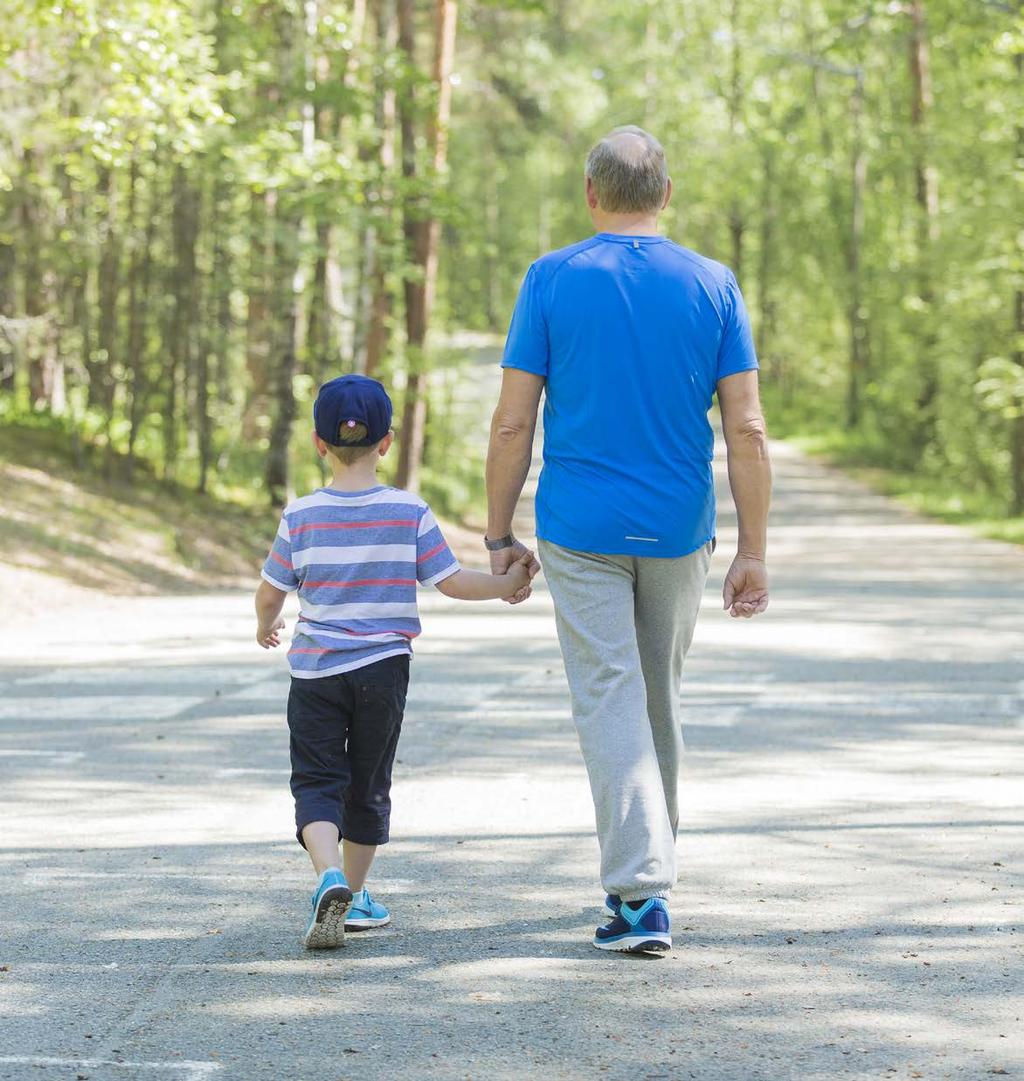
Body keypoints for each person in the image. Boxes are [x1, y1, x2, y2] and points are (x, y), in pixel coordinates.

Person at [484, 126, 772, 954]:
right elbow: (747, 428)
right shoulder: (713, 284)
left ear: (590, 194)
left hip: (578, 526)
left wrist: (500, 530)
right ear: (666, 195)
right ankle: (645, 879)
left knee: (612, 694)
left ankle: (642, 890)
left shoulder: (550, 279)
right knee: (652, 698)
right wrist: (753, 548)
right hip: (679, 526)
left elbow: (512, 423)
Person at [256, 374, 536, 949]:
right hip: (383, 670)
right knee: (368, 782)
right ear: (386, 443)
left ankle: (328, 875)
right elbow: (451, 582)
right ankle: (354, 899)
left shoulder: (301, 516)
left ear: (319, 442)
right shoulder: (408, 511)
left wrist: (266, 625)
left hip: (314, 673)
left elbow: (271, 588)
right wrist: (506, 582)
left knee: (316, 780)